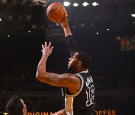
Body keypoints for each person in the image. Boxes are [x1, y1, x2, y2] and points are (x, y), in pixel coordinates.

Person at [36, 15, 95, 115]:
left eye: (72, 58)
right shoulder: (86, 72)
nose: (70, 58)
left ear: (79, 63)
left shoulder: (73, 80)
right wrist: (65, 26)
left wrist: (45, 55)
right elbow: (72, 47)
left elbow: (40, 75)